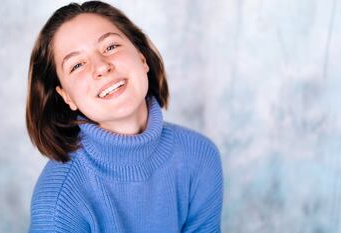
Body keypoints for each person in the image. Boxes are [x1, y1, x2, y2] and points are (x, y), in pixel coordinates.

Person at [25, 1, 223, 232]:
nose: (101, 67)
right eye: (77, 64)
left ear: (141, 57)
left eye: (110, 47)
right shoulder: (59, 201)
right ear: (66, 96)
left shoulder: (199, 156)